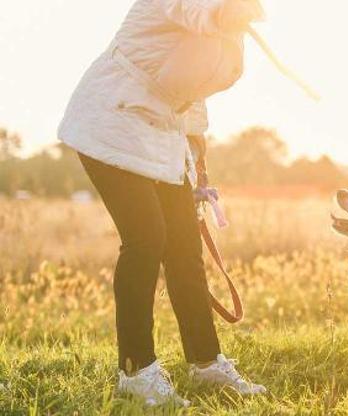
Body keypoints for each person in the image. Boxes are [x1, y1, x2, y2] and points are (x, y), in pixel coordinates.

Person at [58, 0, 266, 407]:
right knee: (146, 238)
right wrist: (226, 13)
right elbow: (194, 11)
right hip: (110, 121)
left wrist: (196, 155)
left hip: (162, 134)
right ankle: (136, 372)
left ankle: (206, 363)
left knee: (185, 248)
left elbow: (194, 89)